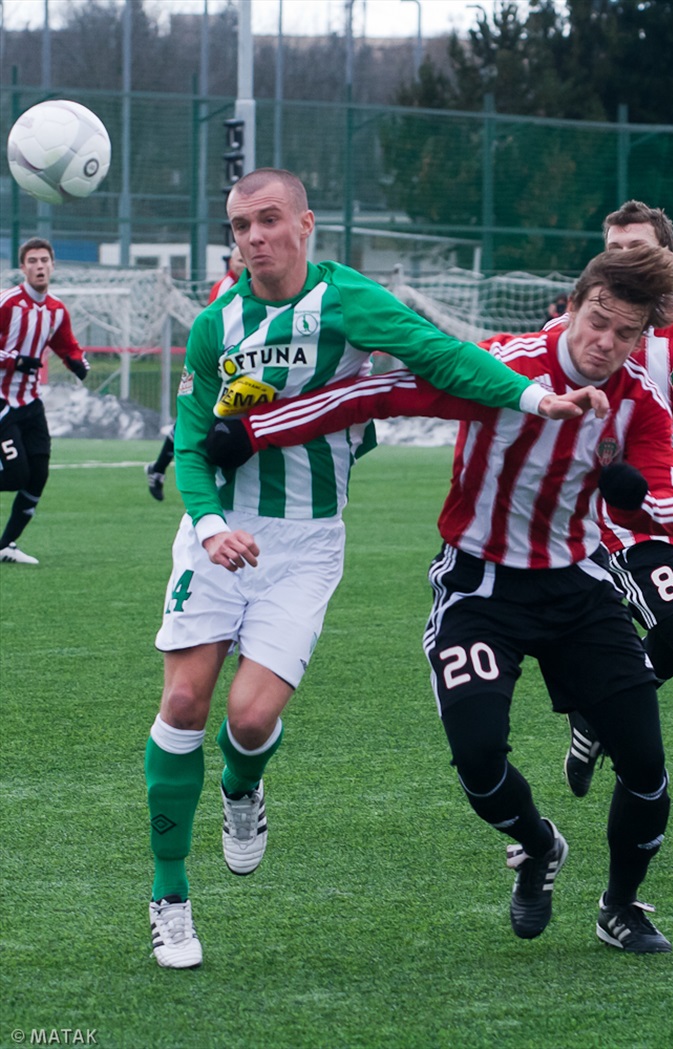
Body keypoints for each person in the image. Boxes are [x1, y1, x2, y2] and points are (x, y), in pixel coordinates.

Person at [145, 166, 600, 969]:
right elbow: (188, 438)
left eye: (268, 220)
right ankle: (171, 898)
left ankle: (243, 787)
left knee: (248, 721)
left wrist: (534, 400)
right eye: (240, 225)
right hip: (217, 533)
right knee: (184, 699)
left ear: (305, 223)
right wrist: (210, 523)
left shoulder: (347, 300)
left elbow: (441, 356)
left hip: (307, 541)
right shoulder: (218, 324)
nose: (253, 238)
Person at [206, 244, 673, 954]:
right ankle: (536, 843)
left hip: (579, 586)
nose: (606, 343)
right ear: (574, 303)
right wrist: (251, 430)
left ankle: (619, 905)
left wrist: (634, 494)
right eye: (597, 320)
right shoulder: (504, 364)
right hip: (480, 585)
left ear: (642, 337)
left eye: (625, 333)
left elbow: (671, 509)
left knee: (646, 764)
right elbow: (378, 392)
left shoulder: (639, 406)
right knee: (478, 756)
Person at [560, 201, 673, 797]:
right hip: (631, 527)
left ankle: (595, 711)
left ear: (665, 258)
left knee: (671, 641)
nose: (622, 264)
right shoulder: (581, 332)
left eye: (636, 251)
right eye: (612, 252)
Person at [0, 238, 89, 564]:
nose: (40, 266)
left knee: (38, 474)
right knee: (14, 475)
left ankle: (6, 545)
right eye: (33, 261)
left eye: (45, 260)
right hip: (1, 401)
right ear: (22, 268)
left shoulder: (55, 310)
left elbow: (67, 345)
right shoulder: (7, 303)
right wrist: (13, 361)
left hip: (31, 402)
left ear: (53, 265)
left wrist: (78, 363)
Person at [144, 245, 246, 501]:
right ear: (230, 263)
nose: (244, 263)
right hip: (217, 367)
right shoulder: (227, 287)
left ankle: (157, 469)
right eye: (239, 259)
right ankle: (172, 472)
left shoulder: (248, 286)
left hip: (227, 365)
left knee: (193, 421)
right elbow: (220, 329)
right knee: (199, 420)